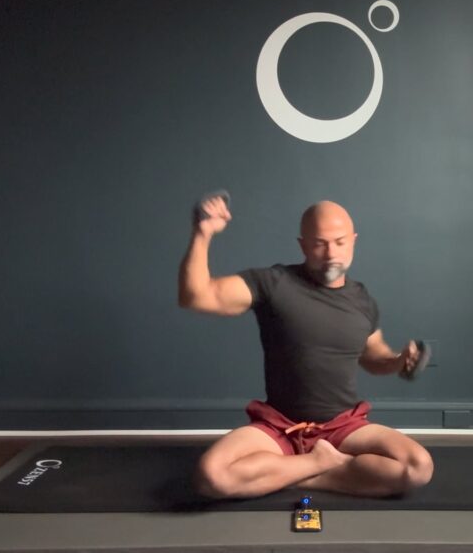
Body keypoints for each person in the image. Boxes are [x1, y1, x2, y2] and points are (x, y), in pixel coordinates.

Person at [178, 193, 434, 499]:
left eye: (339, 242)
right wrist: (203, 233)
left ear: (353, 241)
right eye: (319, 243)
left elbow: (373, 356)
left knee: (418, 467)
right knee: (212, 476)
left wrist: (398, 360)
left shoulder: (363, 300)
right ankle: (319, 463)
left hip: (343, 426)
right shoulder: (273, 282)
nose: (331, 253)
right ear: (302, 245)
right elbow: (196, 296)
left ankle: (293, 475)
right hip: (279, 426)